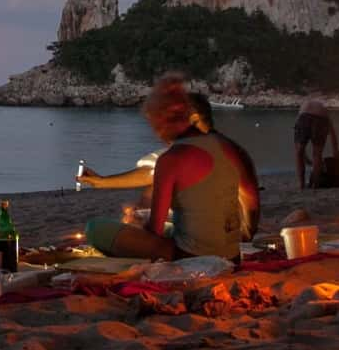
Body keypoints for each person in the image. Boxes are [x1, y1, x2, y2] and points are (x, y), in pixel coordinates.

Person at [84, 74, 244, 262]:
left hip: (192, 256)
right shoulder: (227, 150)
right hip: (232, 255)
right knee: (172, 226)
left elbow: (155, 230)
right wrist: (102, 182)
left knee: (96, 228)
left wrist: (141, 225)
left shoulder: (171, 159)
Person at [294, 99, 339, 189]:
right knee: (317, 154)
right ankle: (316, 184)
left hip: (304, 116)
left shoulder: (302, 110)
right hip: (321, 118)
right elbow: (333, 135)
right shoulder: (325, 112)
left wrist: (305, 158)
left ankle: (301, 184)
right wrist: (336, 152)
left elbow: (299, 150)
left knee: (299, 152)